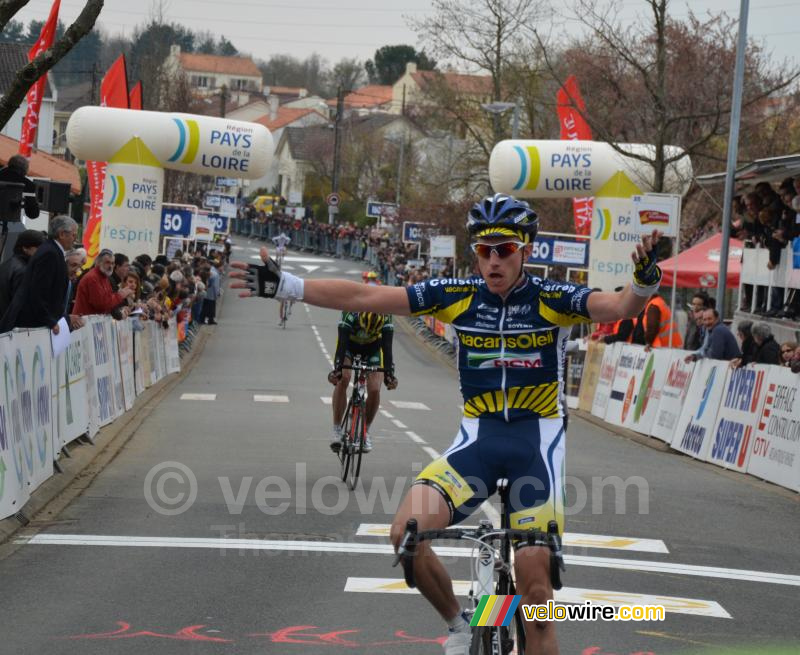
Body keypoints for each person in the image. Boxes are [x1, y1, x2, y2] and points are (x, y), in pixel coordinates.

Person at [232, 192, 665, 655]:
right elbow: (364, 295)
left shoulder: (554, 299)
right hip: (476, 443)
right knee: (405, 533)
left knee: (536, 598)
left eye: (505, 249)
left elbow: (620, 308)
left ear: (527, 250)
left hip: (535, 450)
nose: (493, 260)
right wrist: (287, 286)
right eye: (484, 250)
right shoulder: (455, 297)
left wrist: (642, 282)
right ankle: (460, 625)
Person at [328, 273, 398, 453]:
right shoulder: (350, 311)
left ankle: (364, 432)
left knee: (375, 388)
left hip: (373, 348)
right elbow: (341, 345)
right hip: (350, 346)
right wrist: (337, 370)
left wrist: (389, 375)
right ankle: (336, 428)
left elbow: (387, 349)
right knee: (344, 378)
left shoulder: (387, 316)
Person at [0, 215, 76, 333]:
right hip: (32, 326)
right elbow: (38, 291)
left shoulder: (53, 251)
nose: (75, 239)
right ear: (62, 234)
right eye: (73, 235)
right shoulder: (50, 253)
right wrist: (50, 321)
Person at [73, 248, 134, 316]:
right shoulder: (93, 278)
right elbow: (101, 305)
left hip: (89, 322)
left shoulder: (104, 277)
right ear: (99, 263)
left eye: (112, 263)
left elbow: (108, 301)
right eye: (107, 262)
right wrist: (120, 295)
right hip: (82, 322)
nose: (110, 266)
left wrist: (121, 308)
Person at [0, 228, 44, 317]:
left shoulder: (6, 264)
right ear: (25, 248)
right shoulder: (24, 271)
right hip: (11, 326)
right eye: (39, 249)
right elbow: (21, 307)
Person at [0, 154, 39, 219]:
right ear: (24, 170)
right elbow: (33, 214)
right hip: (12, 222)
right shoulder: (28, 184)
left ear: (9, 165)